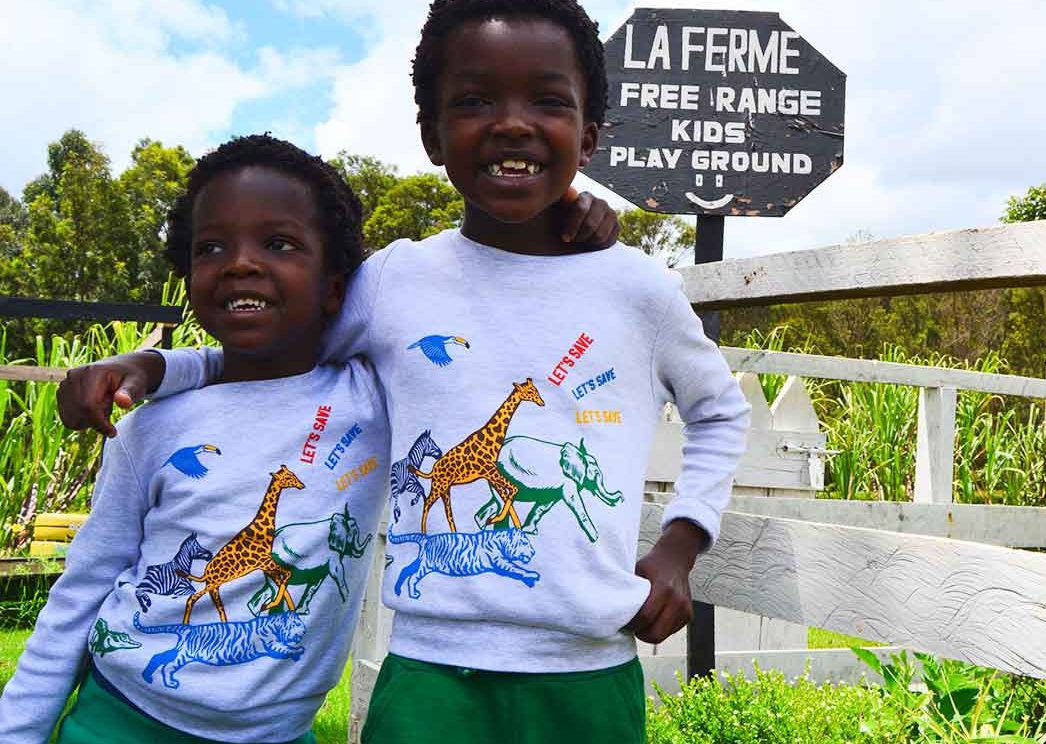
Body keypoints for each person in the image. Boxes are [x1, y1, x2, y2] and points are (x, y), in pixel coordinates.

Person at [57, 1, 750, 742]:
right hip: (428, 676)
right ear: (431, 136)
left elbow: (721, 412)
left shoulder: (638, 289)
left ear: (588, 136)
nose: (512, 123)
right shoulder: (395, 282)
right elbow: (279, 352)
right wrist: (154, 365)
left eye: (547, 100)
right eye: (475, 100)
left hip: (590, 672)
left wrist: (681, 545)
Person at [0, 134, 386, 743]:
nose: (239, 263)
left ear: (337, 285)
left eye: (279, 243)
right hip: (121, 720)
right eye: (211, 247)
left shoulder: (373, 400)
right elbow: (84, 590)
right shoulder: (150, 428)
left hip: (279, 734)